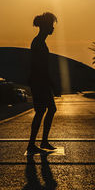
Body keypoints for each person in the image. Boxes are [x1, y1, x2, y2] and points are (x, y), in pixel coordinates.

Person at [27, 12, 60, 153]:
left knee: (43, 110)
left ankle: (40, 142)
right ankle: (37, 143)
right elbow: (40, 67)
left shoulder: (40, 41)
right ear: (46, 26)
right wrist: (52, 84)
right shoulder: (38, 43)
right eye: (52, 25)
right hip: (39, 82)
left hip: (39, 82)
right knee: (45, 110)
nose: (53, 28)